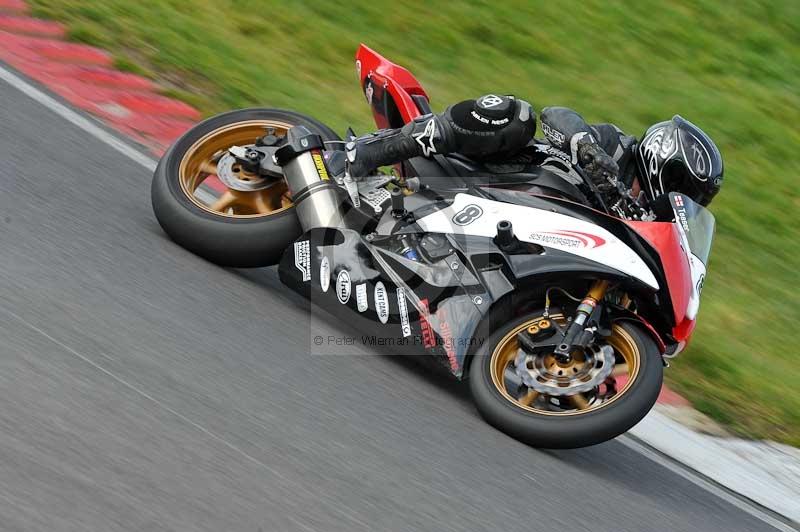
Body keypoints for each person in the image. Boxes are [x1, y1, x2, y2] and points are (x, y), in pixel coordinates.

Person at [345, 94, 724, 217]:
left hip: (516, 228)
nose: (683, 204)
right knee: (515, 116)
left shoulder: (644, 221)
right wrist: (586, 148)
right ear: (665, 165)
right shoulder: (614, 146)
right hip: (499, 173)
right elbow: (557, 116)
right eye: (685, 192)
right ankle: (364, 153)